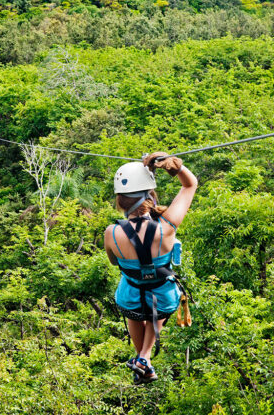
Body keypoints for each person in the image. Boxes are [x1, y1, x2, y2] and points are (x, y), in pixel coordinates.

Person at [104, 151, 197, 384]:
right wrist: (174, 166)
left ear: (120, 201)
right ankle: (144, 357)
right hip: (162, 295)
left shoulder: (111, 233)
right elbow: (190, 185)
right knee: (157, 300)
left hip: (131, 294)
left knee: (134, 308)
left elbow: (114, 262)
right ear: (150, 197)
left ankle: (142, 358)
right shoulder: (167, 227)